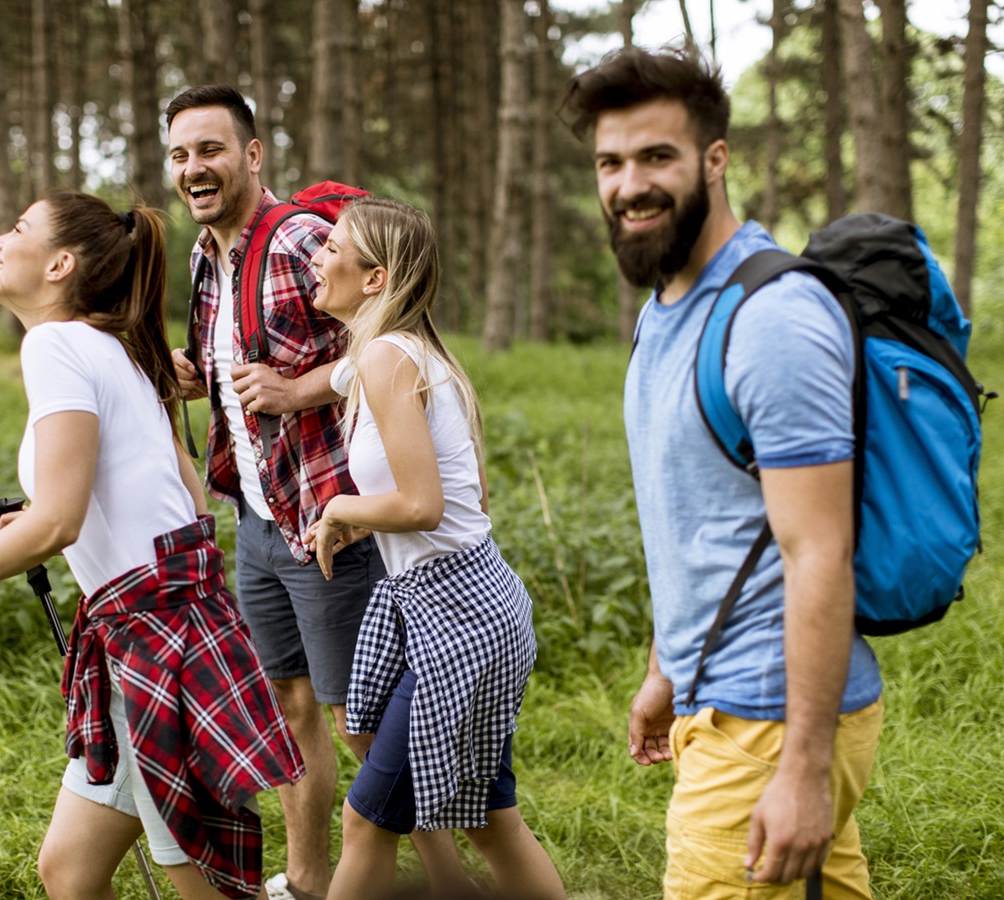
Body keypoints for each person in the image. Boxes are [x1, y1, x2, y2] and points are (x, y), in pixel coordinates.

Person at [0, 191, 304, 900]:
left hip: (155, 641)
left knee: (207, 886)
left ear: (60, 264)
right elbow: (180, 498)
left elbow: (59, 525)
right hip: (170, 623)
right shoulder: (113, 350)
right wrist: (57, 519)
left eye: (17, 230)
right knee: (70, 871)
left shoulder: (55, 344)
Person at [561, 47, 884, 898]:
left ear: (715, 158)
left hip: (769, 723)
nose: (630, 184)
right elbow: (706, 521)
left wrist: (804, 771)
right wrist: (669, 670)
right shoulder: (665, 307)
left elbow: (819, 550)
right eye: (610, 162)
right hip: (722, 698)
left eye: (657, 157)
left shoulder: (772, 318)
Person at [165, 86, 466, 900]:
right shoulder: (202, 260)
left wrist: (299, 392)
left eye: (212, 150)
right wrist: (201, 379)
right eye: (181, 155)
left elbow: (386, 336)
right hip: (257, 520)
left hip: (332, 519)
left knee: (359, 720)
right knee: (289, 705)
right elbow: (249, 370)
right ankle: (308, 879)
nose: (195, 168)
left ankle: (447, 879)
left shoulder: (304, 239)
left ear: (252, 156)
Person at [302, 197, 566, 900]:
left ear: (375, 279)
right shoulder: (390, 356)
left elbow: (425, 504)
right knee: (490, 820)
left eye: (332, 248)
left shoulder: (391, 357)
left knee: (366, 823)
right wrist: (363, 520)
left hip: (462, 613)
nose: (316, 258)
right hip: (453, 603)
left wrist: (338, 508)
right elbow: (447, 496)